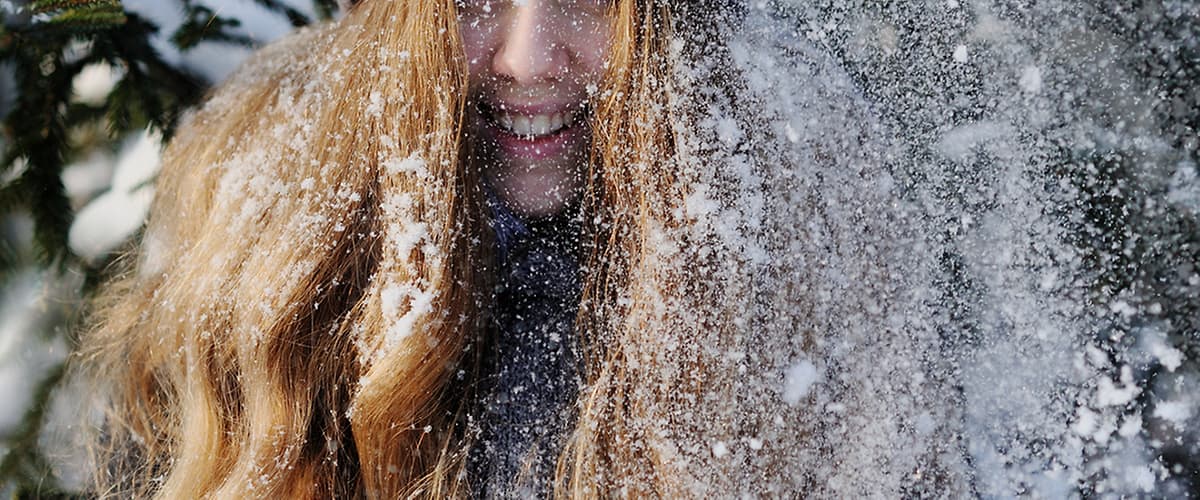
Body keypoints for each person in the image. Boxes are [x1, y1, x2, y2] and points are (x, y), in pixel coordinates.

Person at [80, 0, 965, 497]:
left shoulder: (794, 208)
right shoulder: (267, 217)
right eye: (473, 0)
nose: (528, 59)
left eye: (586, 0)